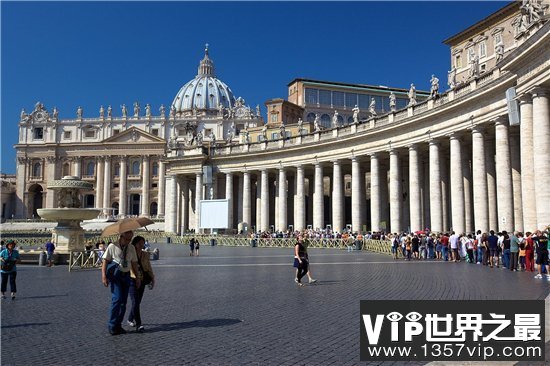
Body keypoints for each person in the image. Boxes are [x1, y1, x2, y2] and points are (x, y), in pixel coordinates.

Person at [101, 230, 140, 335]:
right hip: (116, 276)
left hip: (126, 276)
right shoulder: (112, 246)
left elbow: (134, 263)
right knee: (117, 300)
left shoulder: (131, 248)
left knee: (123, 303)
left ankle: (118, 325)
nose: (129, 241)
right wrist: (104, 276)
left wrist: (137, 278)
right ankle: (112, 325)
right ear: (121, 236)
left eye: (130, 239)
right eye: (127, 239)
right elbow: (105, 261)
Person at [127, 236, 155, 332]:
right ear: (135, 244)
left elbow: (148, 266)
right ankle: (139, 324)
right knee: (135, 301)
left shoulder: (145, 254)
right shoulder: (130, 253)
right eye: (139, 243)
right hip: (132, 279)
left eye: (143, 243)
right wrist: (136, 277)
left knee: (137, 301)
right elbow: (129, 267)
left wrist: (153, 278)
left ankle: (130, 318)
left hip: (143, 279)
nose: (141, 245)